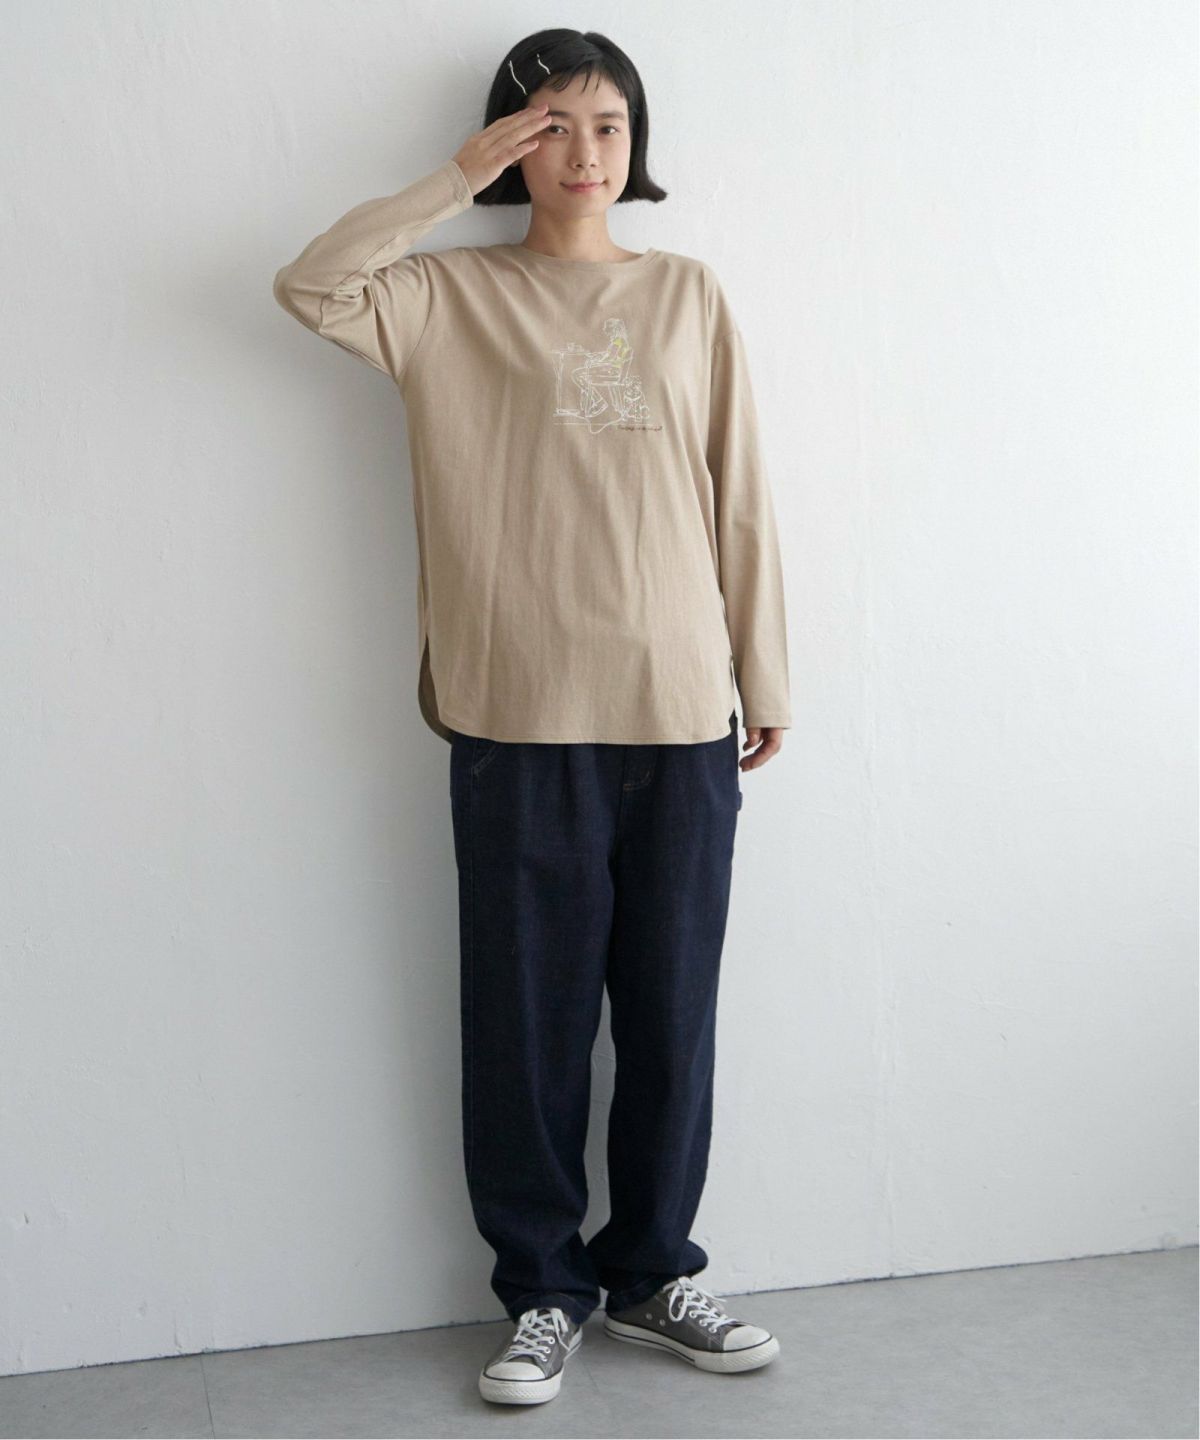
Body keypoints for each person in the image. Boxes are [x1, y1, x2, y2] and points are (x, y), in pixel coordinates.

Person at [273, 27, 791, 1408]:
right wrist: (454, 179)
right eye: (551, 125)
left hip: (678, 709)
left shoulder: (686, 295)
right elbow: (310, 284)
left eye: (608, 124)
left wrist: (766, 672)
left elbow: (739, 491)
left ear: (638, 142)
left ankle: (653, 1272)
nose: (583, 152)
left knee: (672, 1017)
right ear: (510, 140)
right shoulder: (443, 297)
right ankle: (544, 1292)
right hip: (515, 711)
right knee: (526, 1023)